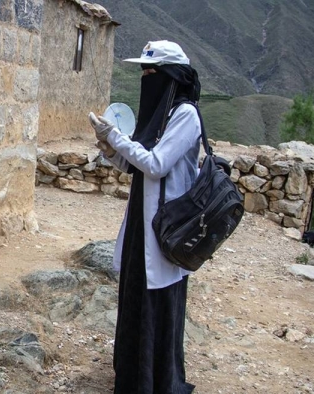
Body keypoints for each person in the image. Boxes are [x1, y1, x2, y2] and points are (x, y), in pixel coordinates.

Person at [89, 40, 201, 393]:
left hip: (166, 229)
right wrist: (109, 147)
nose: (146, 78)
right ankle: (133, 378)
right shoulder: (158, 115)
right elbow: (133, 165)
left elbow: (155, 164)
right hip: (142, 223)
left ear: (170, 76)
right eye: (143, 72)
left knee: (159, 304)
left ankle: (158, 382)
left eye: (151, 73)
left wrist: (118, 138)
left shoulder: (185, 115)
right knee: (135, 297)